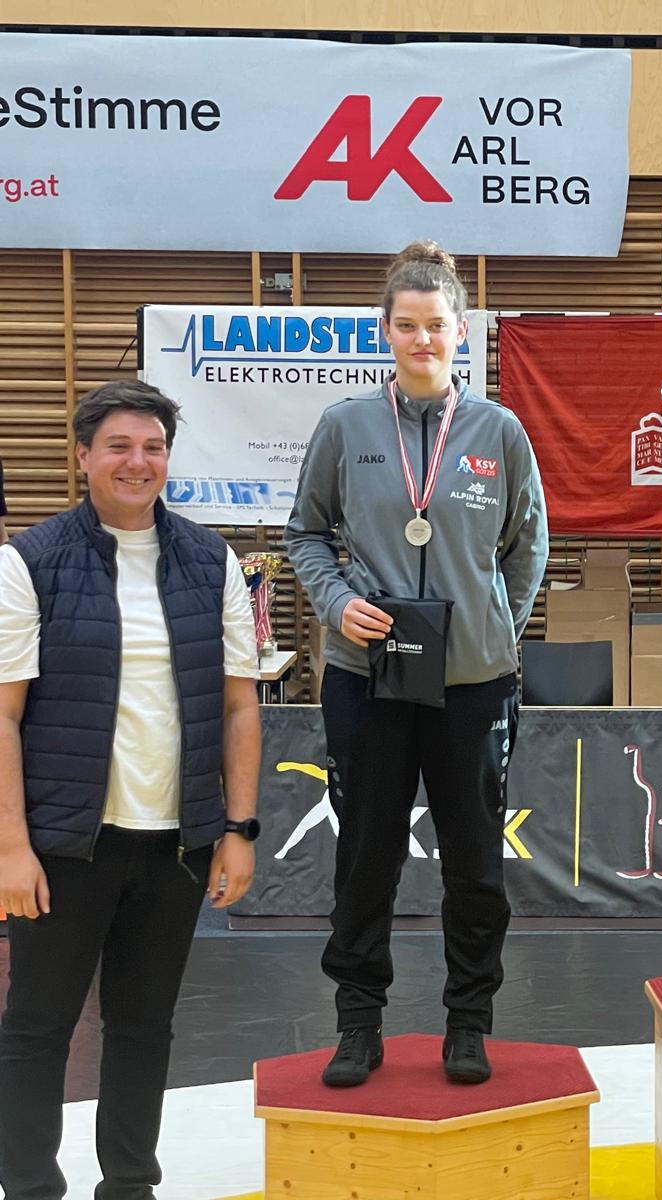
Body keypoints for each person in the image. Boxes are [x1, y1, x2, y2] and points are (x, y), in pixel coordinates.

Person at [286, 242, 547, 1087]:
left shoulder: (499, 432)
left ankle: (468, 1022)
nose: (423, 339)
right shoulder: (345, 427)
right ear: (385, 332)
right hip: (369, 680)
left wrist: (491, 627)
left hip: (473, 686)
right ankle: (358, 1023)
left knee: (475, 865)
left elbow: (528, 548)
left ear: (461, 330)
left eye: (437, 325)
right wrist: (337, 605)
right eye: (407, 325)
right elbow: (305, 534)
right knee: (366, 859)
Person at [0, 380, 261, 1199]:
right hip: (63, 846)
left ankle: (130, 1186)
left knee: (144, 1028)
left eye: (152, 447)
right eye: (118, 446)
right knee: (36, 1028)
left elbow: (239, 704)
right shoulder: (28, 561)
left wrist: (238, 829)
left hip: (174, 846)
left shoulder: (212, 560)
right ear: (84, 456)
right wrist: (11, 846)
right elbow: (4, 714)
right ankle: (29, 1188)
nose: (136, 462)